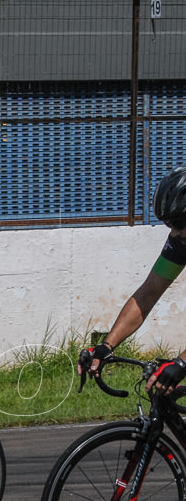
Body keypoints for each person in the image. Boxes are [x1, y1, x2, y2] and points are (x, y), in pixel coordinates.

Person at [81, 165, 186, 394]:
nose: (175, 233)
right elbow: (148, 294)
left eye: (179, 224)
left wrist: (182, 363)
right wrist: (106, 346)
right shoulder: (181, 242)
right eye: (170, 225)